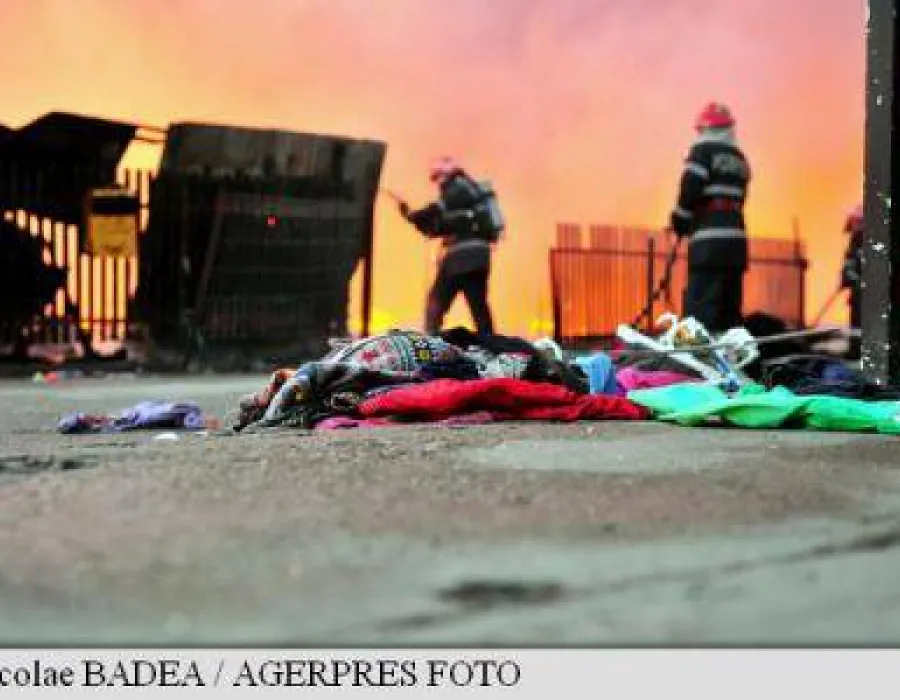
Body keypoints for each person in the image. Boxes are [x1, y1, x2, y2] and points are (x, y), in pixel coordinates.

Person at [669, 102, 752, 335]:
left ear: (705, 129)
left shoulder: (702, 153)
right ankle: (729, 361)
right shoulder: (739, 158)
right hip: (736, 244)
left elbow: (689, 191)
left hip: (708, 244)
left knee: (700, 313)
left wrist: (679, 220)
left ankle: (699, 363)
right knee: (729, 311)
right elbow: (740, 198)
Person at [399, 157, 504, 335]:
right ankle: (491, 344)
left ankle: (430, 340)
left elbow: (436, 209)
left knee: (436, 302)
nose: (438, 183)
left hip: (460, 259)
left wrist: (417, 215)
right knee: (479, 306)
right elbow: (437, 228)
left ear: (445, 175)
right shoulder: (466, 201)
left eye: (438, 177)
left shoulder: (459, 187)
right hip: (477, 258)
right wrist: (413, 219)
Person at [840, 204, 864, 358]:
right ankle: (855, 350)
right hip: (858, 292)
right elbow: (850, 261)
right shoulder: (855, 240)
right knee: (856, 320)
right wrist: (848, 277)